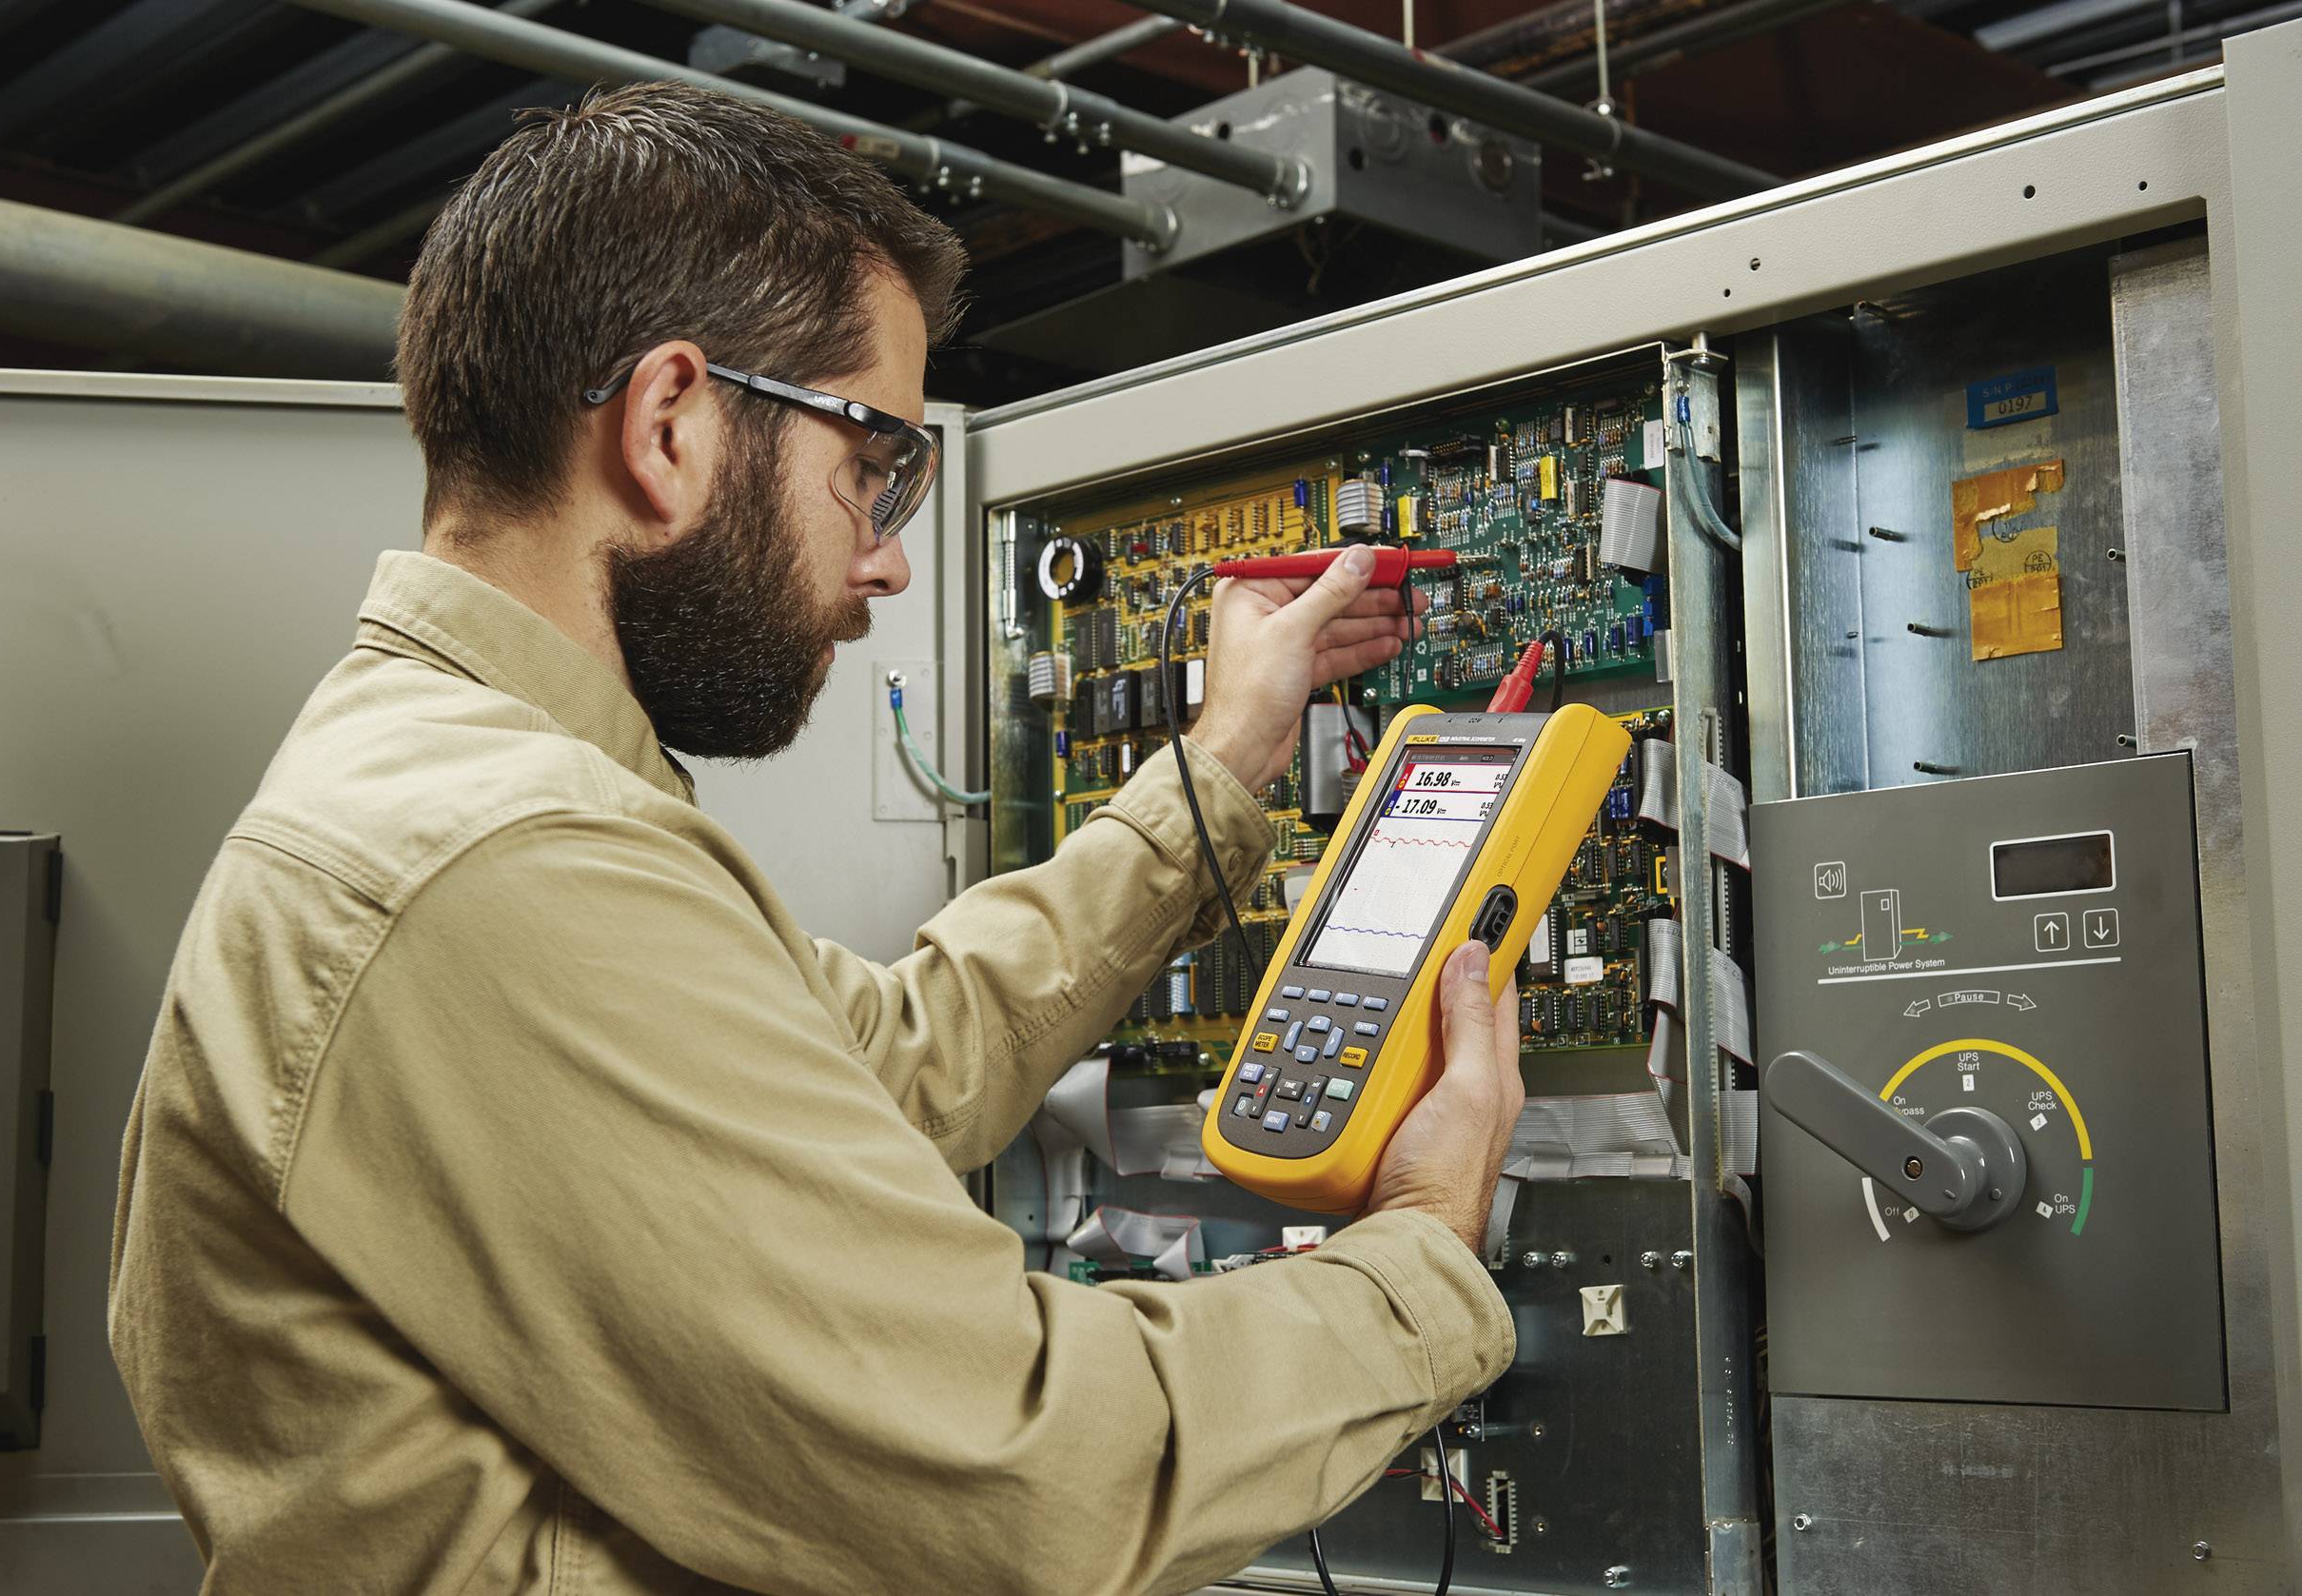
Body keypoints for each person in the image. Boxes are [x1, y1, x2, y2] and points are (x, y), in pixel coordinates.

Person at [108, 82, 1525, 1595]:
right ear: (667, 424)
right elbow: (1024, 1468)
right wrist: (1424, 1255)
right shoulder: (502, 855)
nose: (895, 555)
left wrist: (1227, 758)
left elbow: (897, 1057)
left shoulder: (453, 792)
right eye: (875, 463)